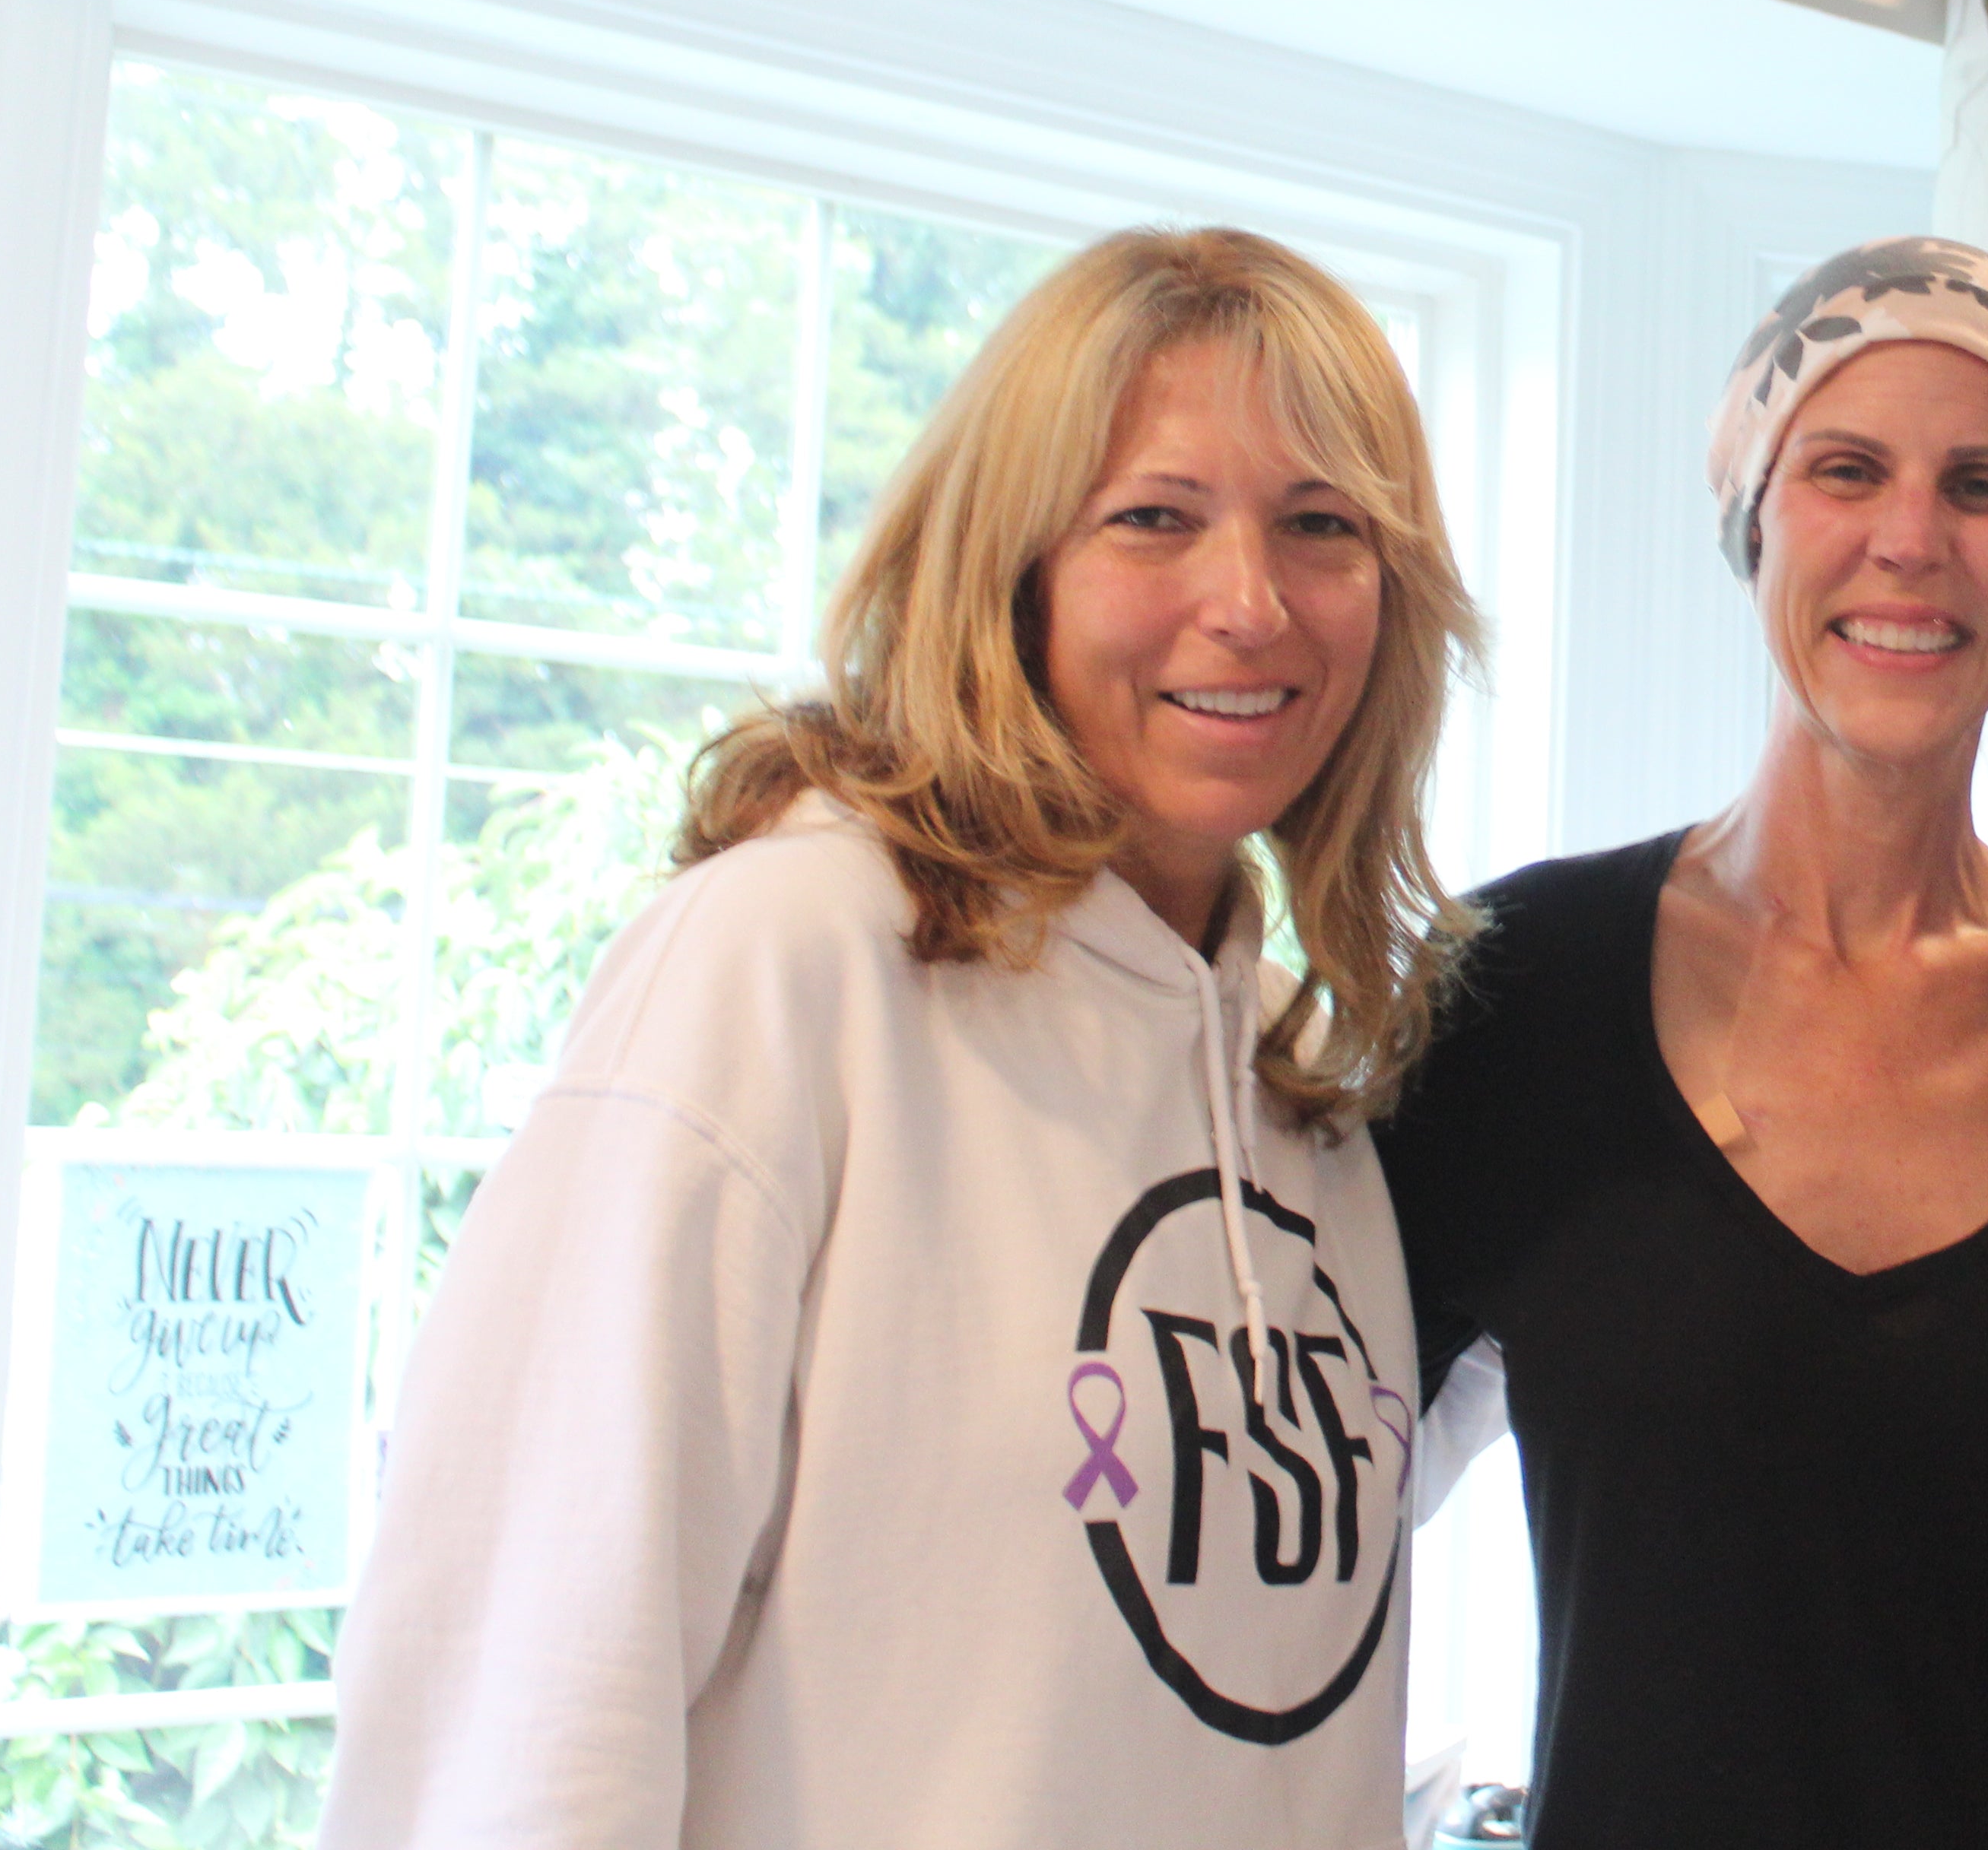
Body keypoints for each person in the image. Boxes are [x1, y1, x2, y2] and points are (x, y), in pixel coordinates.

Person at [322, 227, 1479, 1850]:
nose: (1250, 602)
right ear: (1009, 569)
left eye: (1322, 526)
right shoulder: (786, 965)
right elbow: (522, 1695)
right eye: (1154, 518)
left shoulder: (1299, 1087)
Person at [1380, 237, 1988, 1848]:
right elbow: (1295, 1515)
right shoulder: (1516, 990)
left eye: (1983, 486)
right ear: (1755, 517)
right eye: (1847, 470)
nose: (1912, 539)